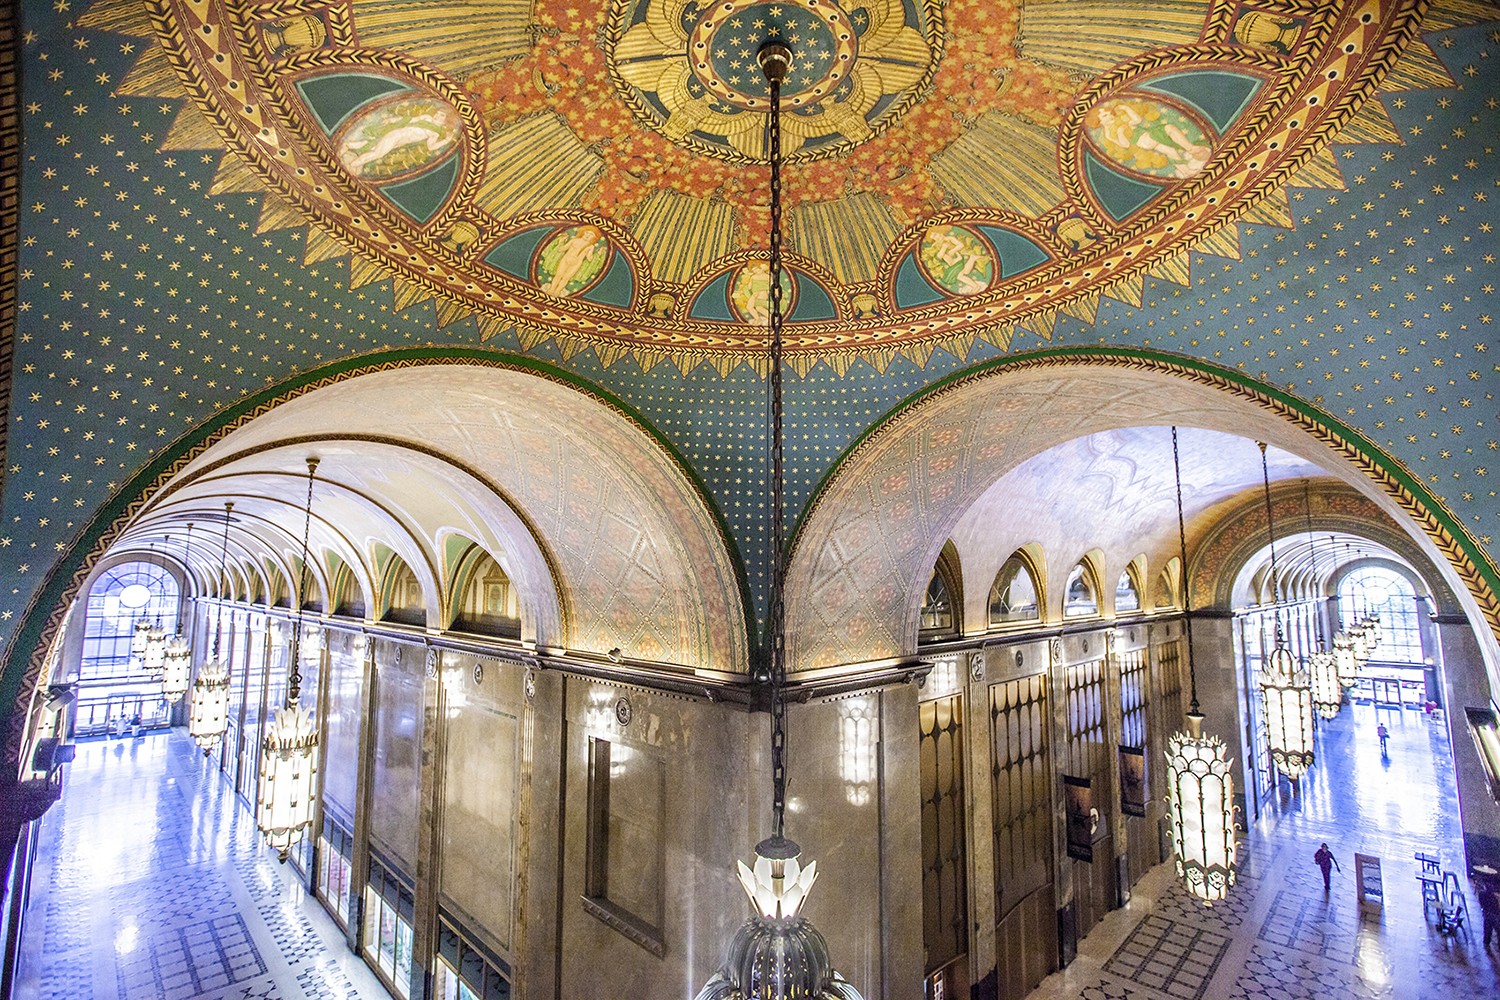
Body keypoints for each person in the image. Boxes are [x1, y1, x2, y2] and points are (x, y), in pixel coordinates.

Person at [1480, 877, 1500, 949]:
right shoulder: (1495, 897)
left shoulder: (1482, 893)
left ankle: (1486, 943)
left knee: (1487, 928)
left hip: (1487, 913)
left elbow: (1482, 904)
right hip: (1495, 915)